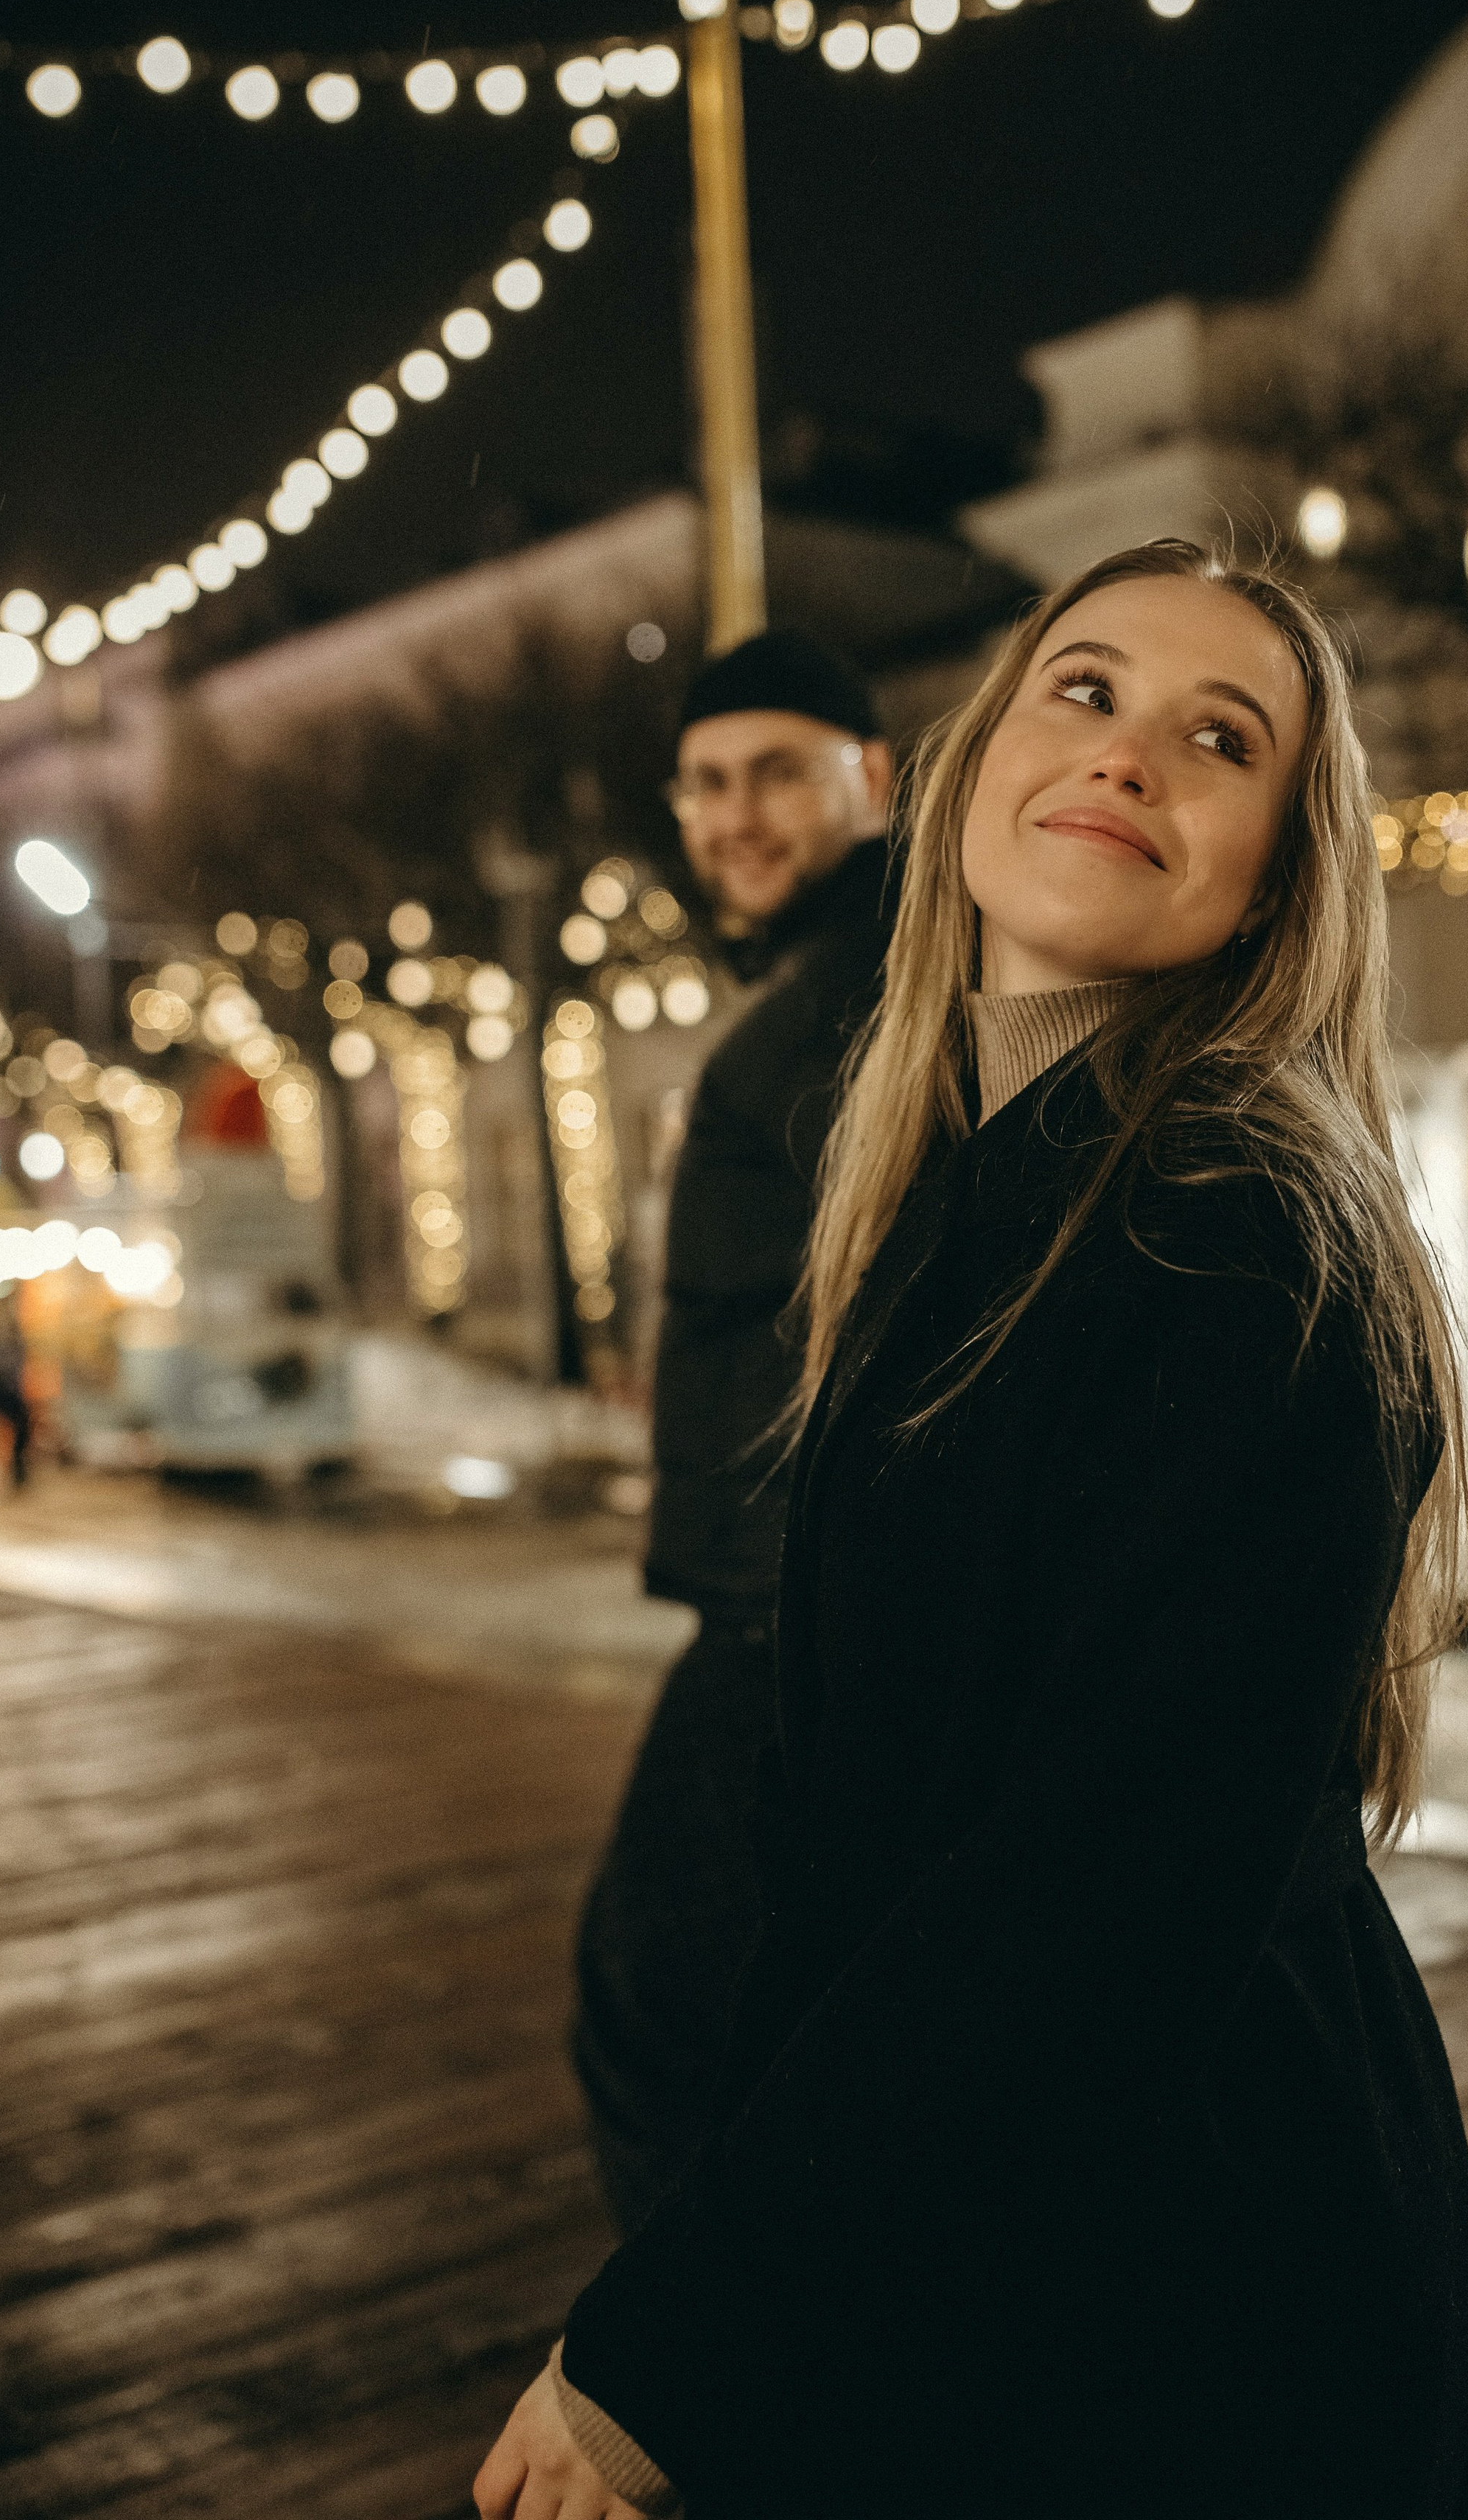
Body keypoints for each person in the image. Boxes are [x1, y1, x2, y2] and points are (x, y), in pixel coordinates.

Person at [483, 541, 1468, 2520]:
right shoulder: (974, 1165)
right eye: (1084, 689)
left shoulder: (1234, 1233)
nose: (1128, 757)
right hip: (1039, 2225)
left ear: (1281, 868)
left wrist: (677, 2340)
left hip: (1190, 2277)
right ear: (969, 773)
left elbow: (1089, 1895)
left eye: (1221, 737)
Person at [572, 626, 895, 2235]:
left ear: (877, 780)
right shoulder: (829, 989)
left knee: (654, 2002)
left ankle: (681, 2400)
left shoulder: (862, 1002)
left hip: (791, 1613)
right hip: (789, 1596)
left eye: (778, 771)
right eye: (704, 782)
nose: (733, 814)